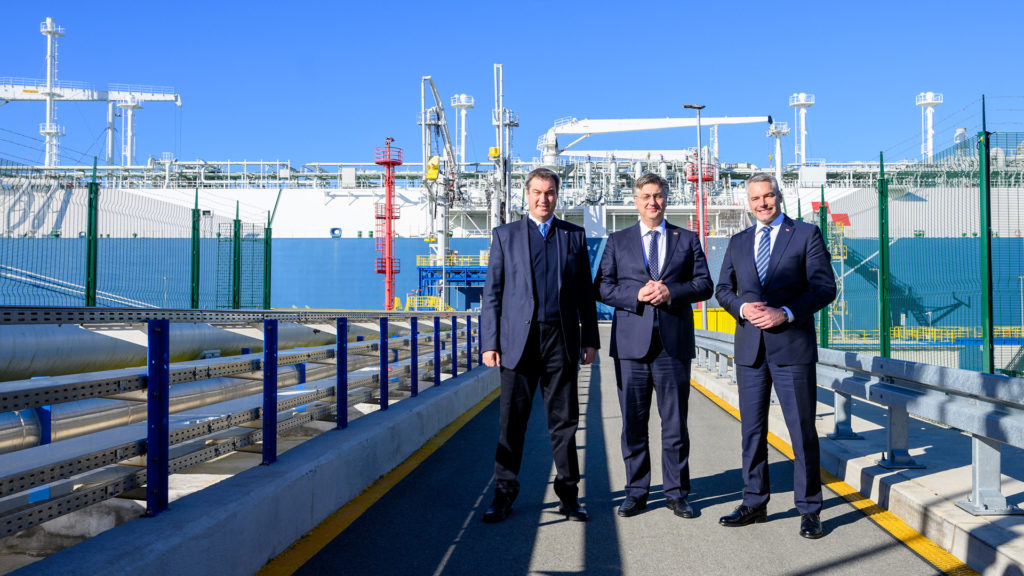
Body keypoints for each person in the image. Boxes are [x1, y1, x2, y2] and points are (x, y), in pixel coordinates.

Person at [714, 172, 836, 539]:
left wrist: (786, 313)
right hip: (750, 351)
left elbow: (825, 287)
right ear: (747, 203)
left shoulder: (805, 234)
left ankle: (810, 509)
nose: (762, 203)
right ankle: (754, 502)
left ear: (778, 197)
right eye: (755, 199)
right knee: (751, 431)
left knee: (801, 431)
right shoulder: (738, 242)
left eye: (767, 196)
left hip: (792, 348)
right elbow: (723, 289)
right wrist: (741, 308)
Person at [480, 167, 600, 523]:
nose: (543, 199)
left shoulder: (573, 236)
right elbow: (492, 294)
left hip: (560, 340)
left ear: (557, 196)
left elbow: (585, 294)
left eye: (549, 193)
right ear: (527, 194)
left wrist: (590, 339)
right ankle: (503, 495)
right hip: (517, 342)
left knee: (564, 423)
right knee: (511, 423)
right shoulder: (505, 236)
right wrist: (490, 343)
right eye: (537, 192)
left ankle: (569, 496)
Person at [595, 173, 713, 519]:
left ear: (666, 199)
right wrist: (636, 294)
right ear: (636, 201)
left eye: (658, 195)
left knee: (674, 424)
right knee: (633, 423)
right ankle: (636, 492)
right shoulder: (618, 241)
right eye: (646, 196)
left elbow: (705, 284)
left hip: (672, 346)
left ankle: (676, 493)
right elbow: (602, 287)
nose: (652, 202)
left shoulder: (687, 239)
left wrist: (671, 292)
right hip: (631, 346)